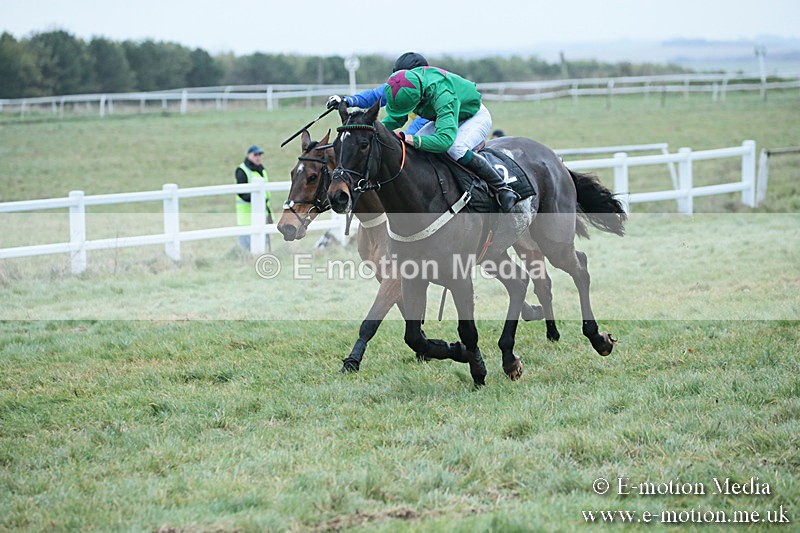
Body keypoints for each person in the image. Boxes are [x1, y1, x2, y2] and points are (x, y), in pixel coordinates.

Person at [382, 66, 518, 212]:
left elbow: (444, 142)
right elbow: (396, 117)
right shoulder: (403, 84)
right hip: (445, 116)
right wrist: (372, 129)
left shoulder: (442, 94)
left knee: (456, 148)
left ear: (419, 97)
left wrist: (409, 138)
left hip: (473, 116)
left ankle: (502, 188)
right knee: (416, 149)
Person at [326, 52, 429, 135]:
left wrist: (404, 137)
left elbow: (419, 127)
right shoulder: (399, 85)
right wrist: (347, 101)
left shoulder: (433, 95)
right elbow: (374, 96)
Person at [235, 145, 273, 250]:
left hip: (263, 214)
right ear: (249, 155)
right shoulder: (242, 170)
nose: (258, 157)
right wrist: (258, 200)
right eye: (255, 155)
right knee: (246, 248)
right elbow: (241, 193)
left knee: (262, 246)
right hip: (247, 217)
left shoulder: (262, 170)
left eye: (260, 155)